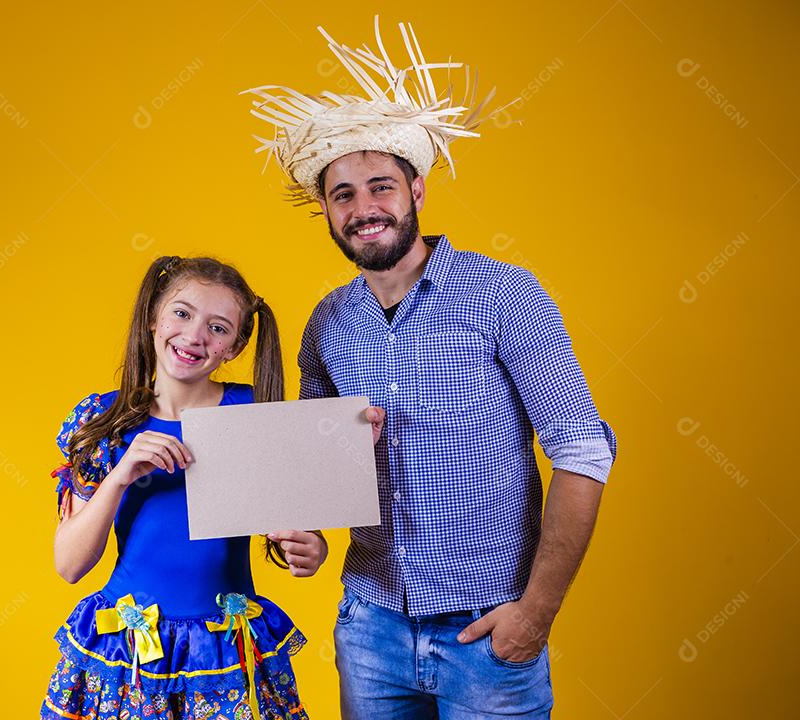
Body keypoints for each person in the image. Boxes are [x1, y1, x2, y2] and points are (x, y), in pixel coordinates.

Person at [243, 17, 617, 719]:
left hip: (489, 633)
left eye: (380, 186)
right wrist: (304, 539)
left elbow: (583, 450)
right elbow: (312, 474)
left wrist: (535, 614)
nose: (364, 209)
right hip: (370, 631)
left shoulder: (507, 293)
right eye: (343, 195)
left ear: (416, 190)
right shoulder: (328, 322)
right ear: (325, 211)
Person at [40, 256, 325, 720]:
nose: (194, 336)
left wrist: (312, 549)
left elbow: (301, 532)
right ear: (153, 317)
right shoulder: (104, 422)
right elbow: (70, 565)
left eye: (218, 327)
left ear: (235, 346)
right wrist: (122, 473)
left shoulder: (254, 413)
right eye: (181, 313)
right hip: (130, 647)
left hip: (225, 647)